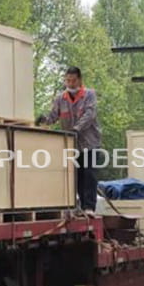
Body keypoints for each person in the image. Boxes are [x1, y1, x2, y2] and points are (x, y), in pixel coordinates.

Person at [37, 66, 101, 212]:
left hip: (90, 143)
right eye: (68, 81)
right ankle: (80, 206)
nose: (70, 84)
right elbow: (54, 116)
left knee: (89, 175)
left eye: (73, 81)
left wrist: (76, 129)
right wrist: (44, 119)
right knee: (76, 176)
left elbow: (89, 115)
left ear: (79, 80)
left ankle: (89, 207)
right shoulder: (61, 99)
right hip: (72, 145)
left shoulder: (89, 95)